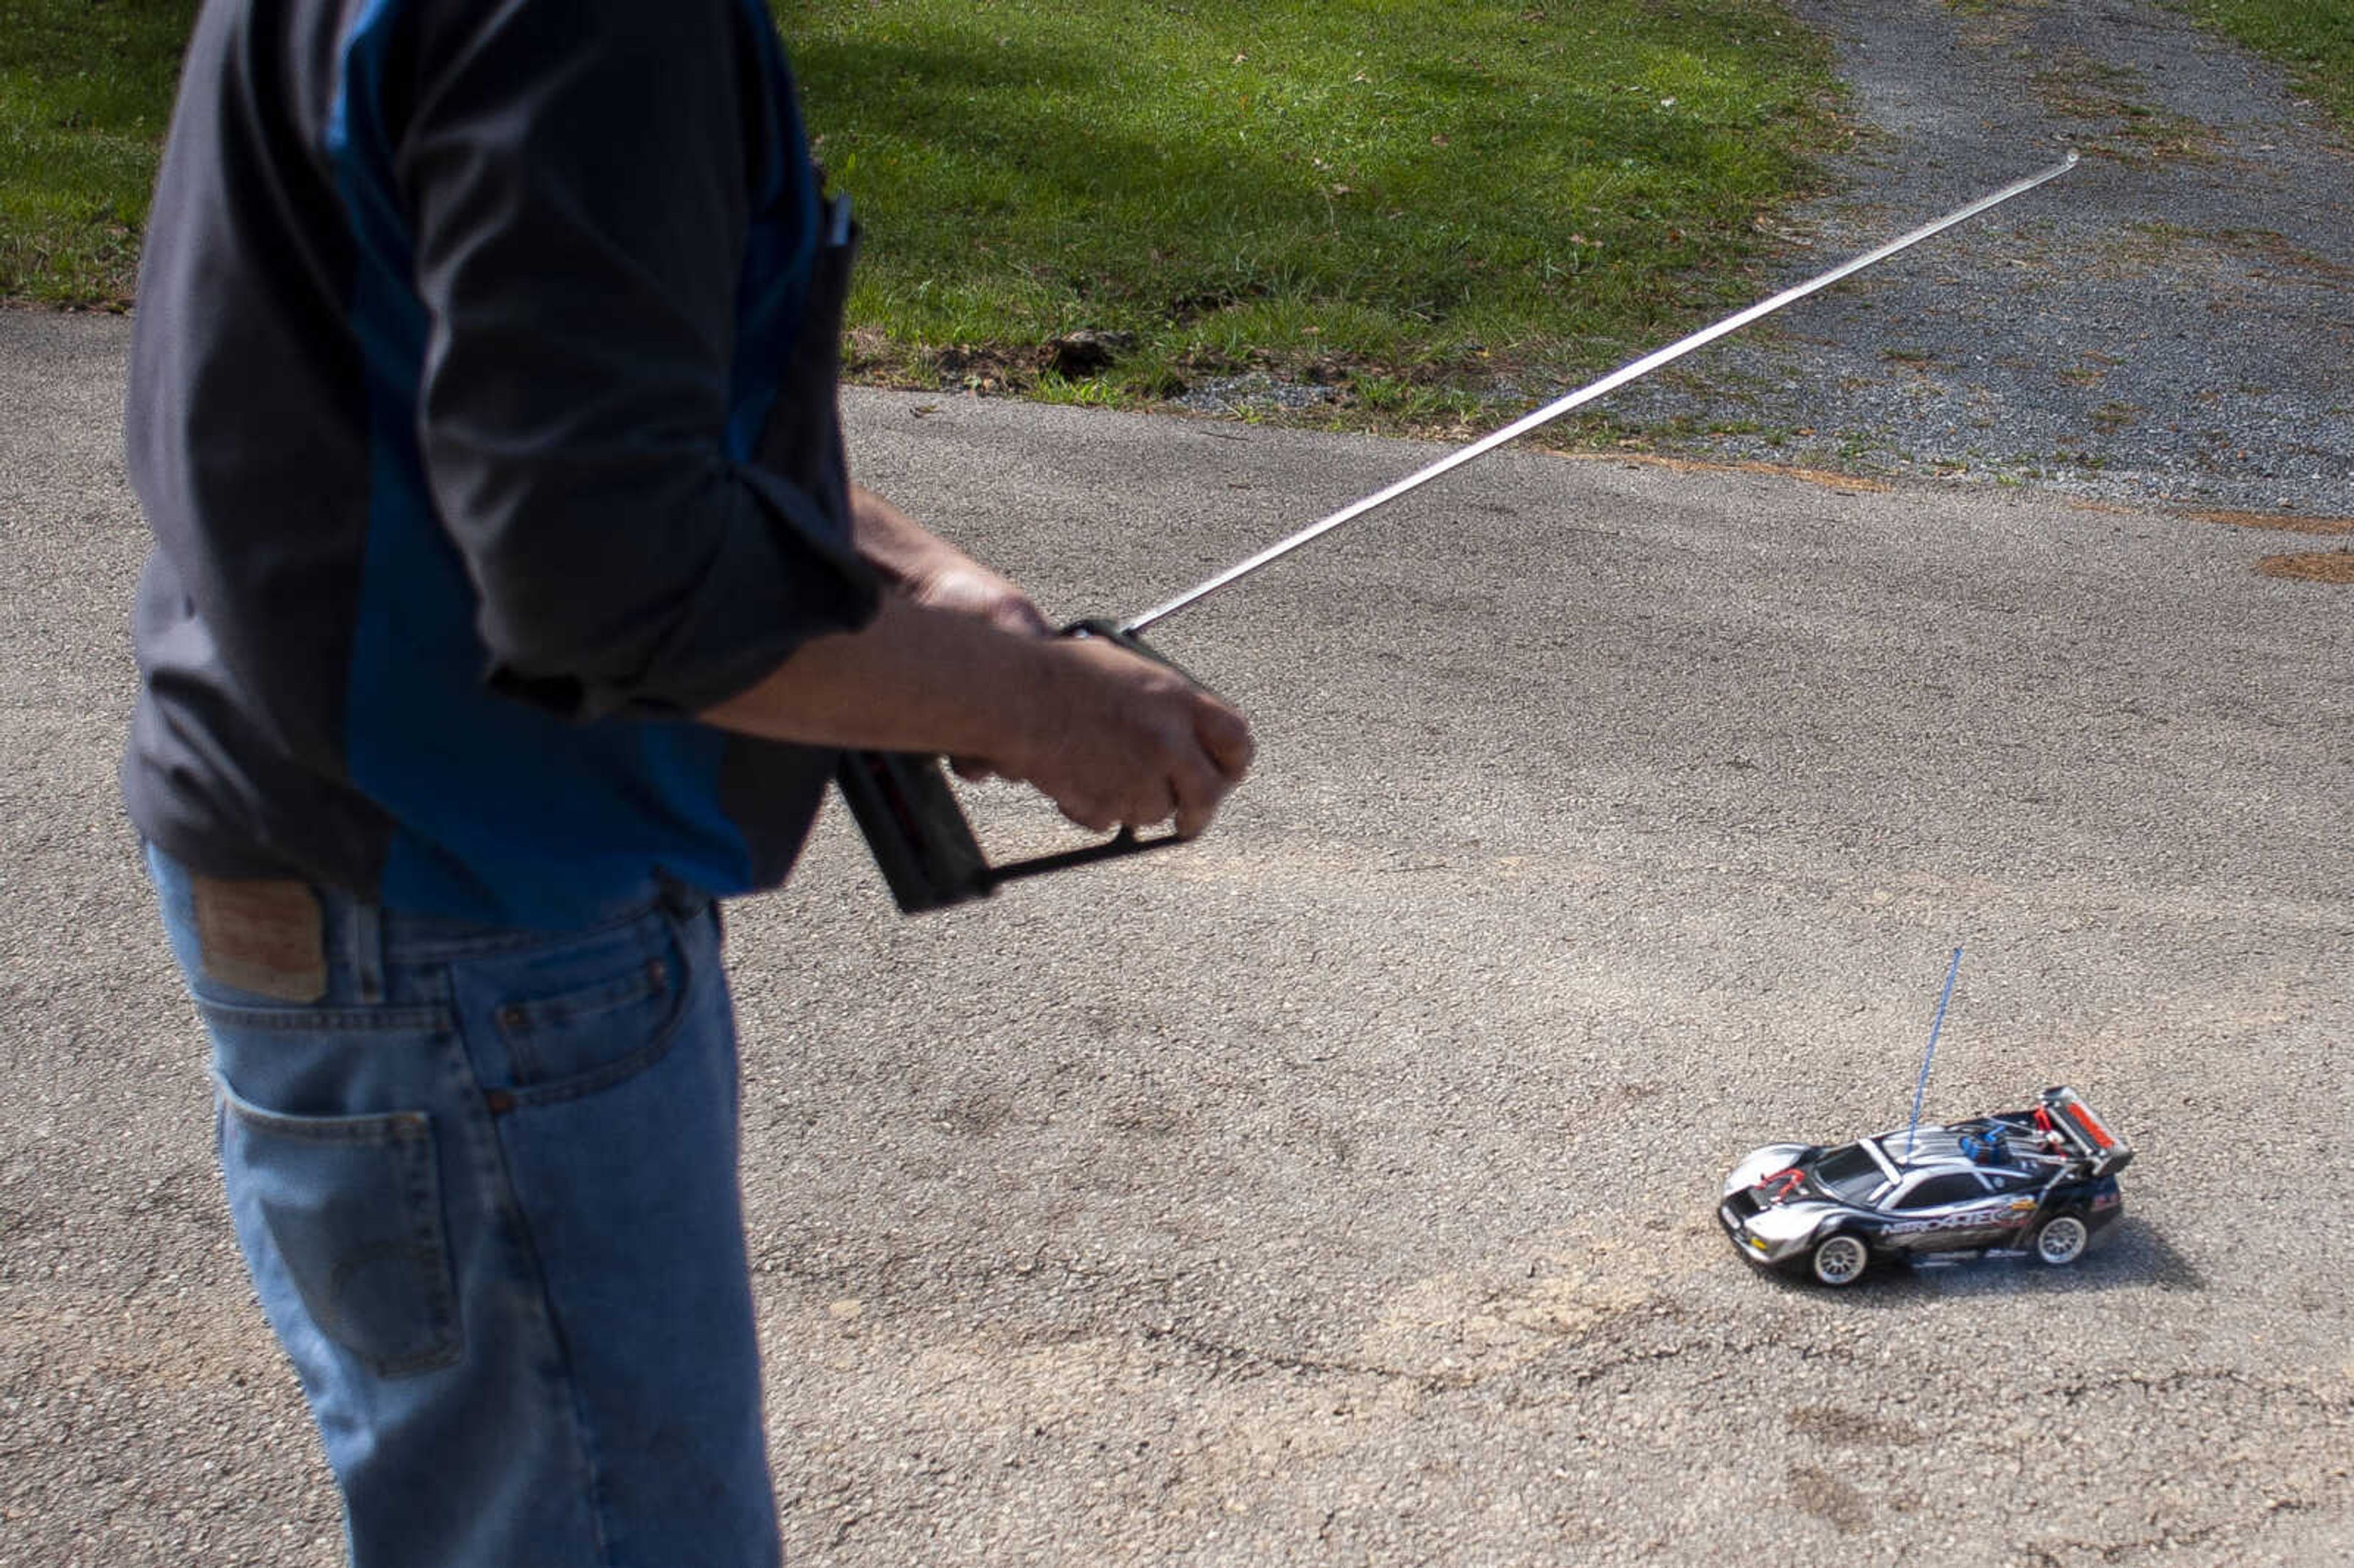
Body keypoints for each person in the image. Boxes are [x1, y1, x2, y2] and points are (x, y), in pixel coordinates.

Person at [121, 0, 1253, 1562]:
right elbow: (603, 565)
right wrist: (1040, 704)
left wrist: (935, 591)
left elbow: (566, 403)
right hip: (473, 921)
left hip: (355, 886)